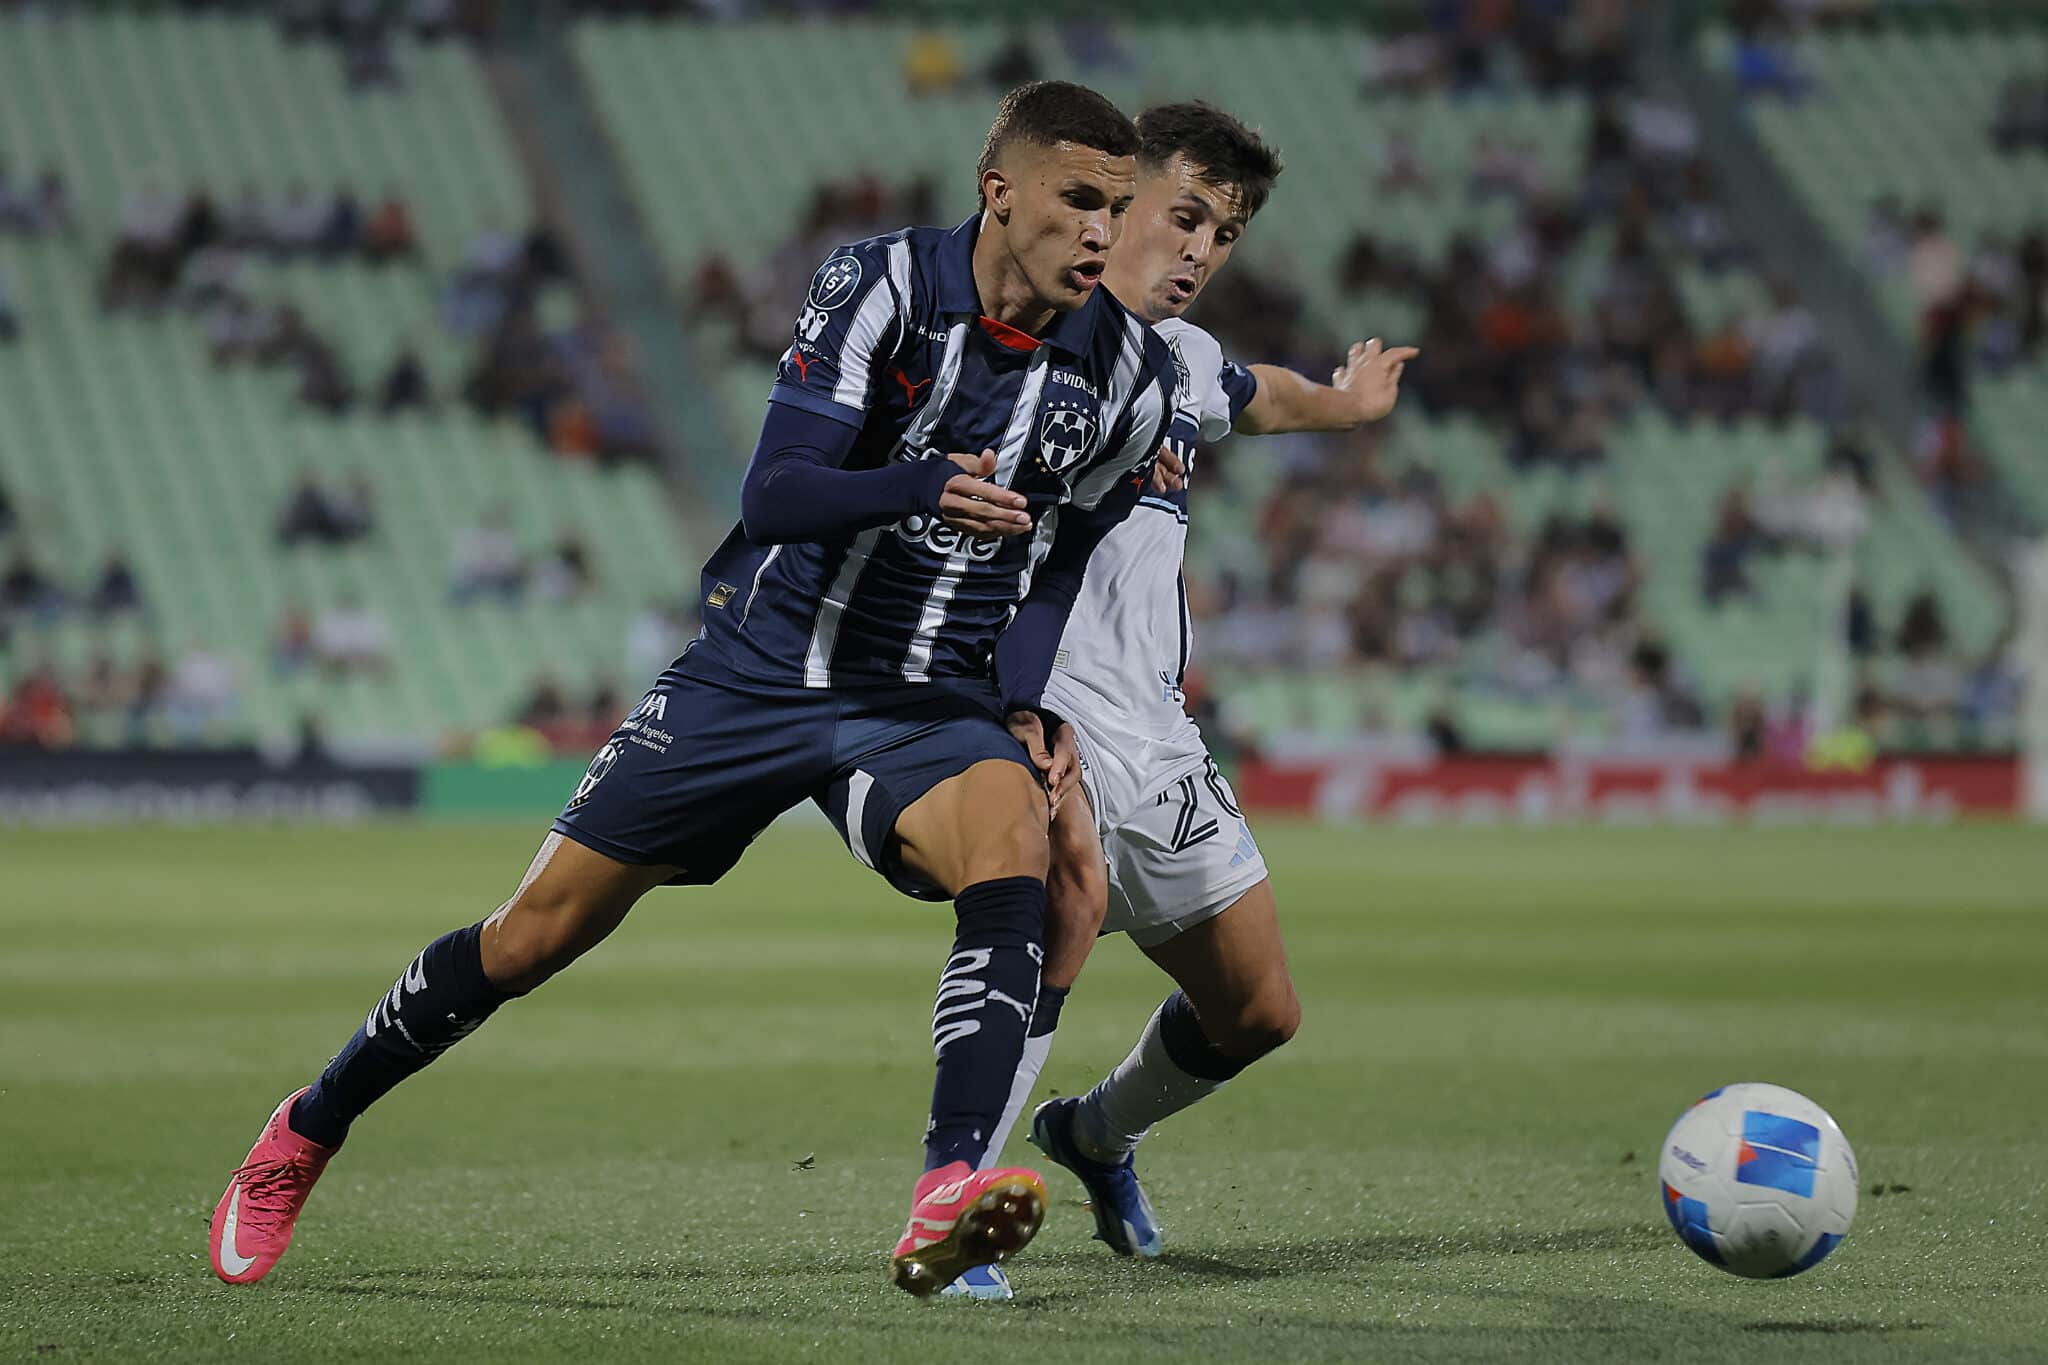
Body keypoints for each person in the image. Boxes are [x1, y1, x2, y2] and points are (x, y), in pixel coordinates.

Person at [206, 80, 1178, 1300]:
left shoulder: (1128, 372)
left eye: (1117, 207)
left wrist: (1026, 700)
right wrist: (919, 482)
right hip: (758, 670)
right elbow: (774, 493)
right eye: (1078, 199)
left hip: (925, 694)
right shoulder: (882, 285)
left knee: (1013, 848)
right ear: (999, 192)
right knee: (529, 938)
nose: (1101, 231)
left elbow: (1064, 555)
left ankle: (945, 1191)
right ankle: (306, 1129)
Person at [943, 102, 1415, 1300]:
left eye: (1225, 233)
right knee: (1062, 900)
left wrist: (1349, 405)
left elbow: (1260, 395)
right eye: (1184, 216)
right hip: (1031, 701)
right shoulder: (1023, 340)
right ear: (1114, 204)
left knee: (1258, 1013)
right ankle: (954, 1208)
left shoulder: (1185, 362)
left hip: (1155, 731)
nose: (1200, 249)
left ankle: (1092, 1132)